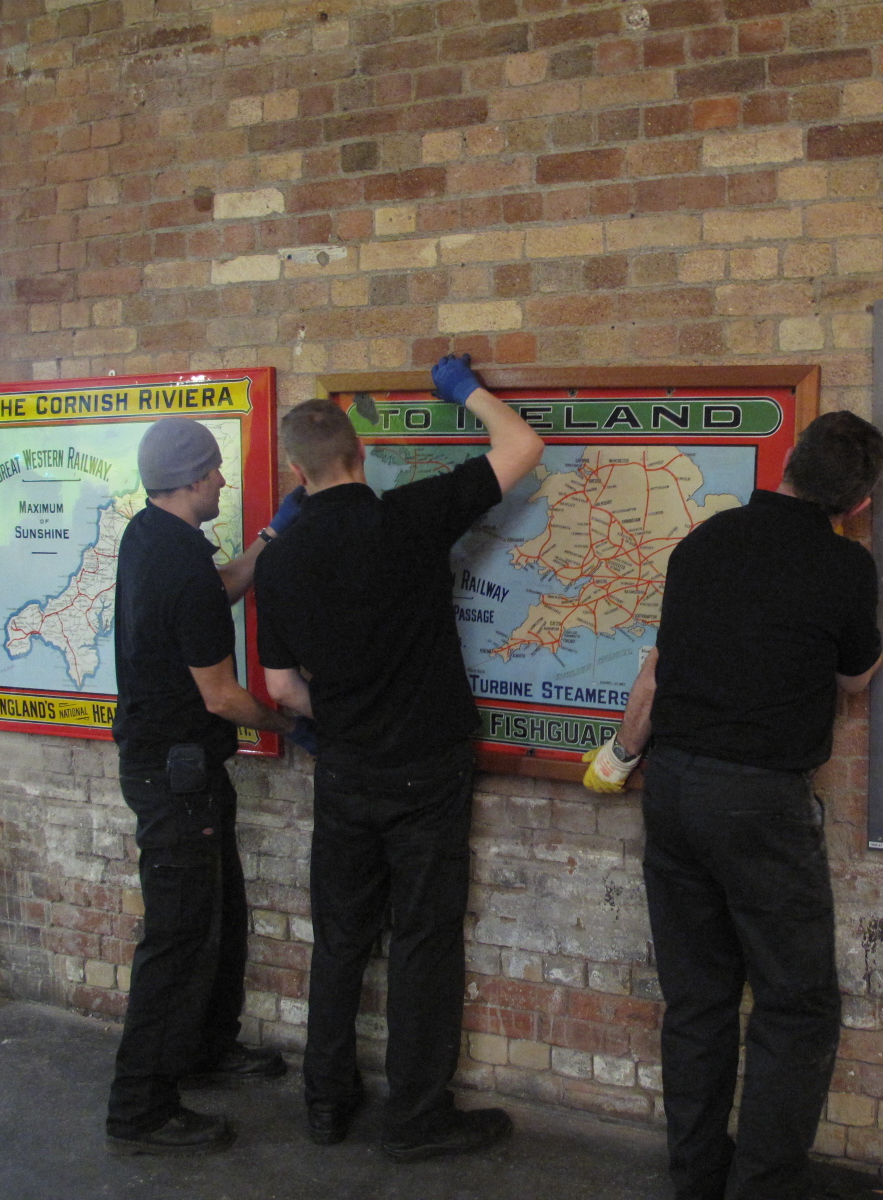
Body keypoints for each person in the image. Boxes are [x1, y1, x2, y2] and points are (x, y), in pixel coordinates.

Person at [583, 411, 883, 1200]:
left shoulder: (703, 542)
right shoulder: (844, 567)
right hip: (759, 804)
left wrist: (620, 755)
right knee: (796, 1004)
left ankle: (697, 1179)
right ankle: (764, 1188)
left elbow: (656, 669)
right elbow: (855, 678)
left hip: (673, 785)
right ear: (857, 502)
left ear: (787, 464)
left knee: (697, 999)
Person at [255, 355, 544, 1157]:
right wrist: (466, 392)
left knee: (340, 939)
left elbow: (281, 688)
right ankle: (416, 1118)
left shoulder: (281, 558)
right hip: (427, 773)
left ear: (295, 469)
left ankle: (325, 1102)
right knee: (422, 942)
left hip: (345, 771)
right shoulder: (408, 515)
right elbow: (521, 447)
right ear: (361, 454)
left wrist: (336, 717)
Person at [105, 417, 318, 1155]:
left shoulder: (152, 536)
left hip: (184, 773)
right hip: (175, 782)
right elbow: (222, 695)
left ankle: (204, 1048)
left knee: (220, 918)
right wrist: (285, 724)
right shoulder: (177, 567)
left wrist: (271, 539)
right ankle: (140, 1108)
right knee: (177, 939)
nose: (224, 482)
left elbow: (219, 587)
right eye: (216, 473)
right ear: (192, 478)